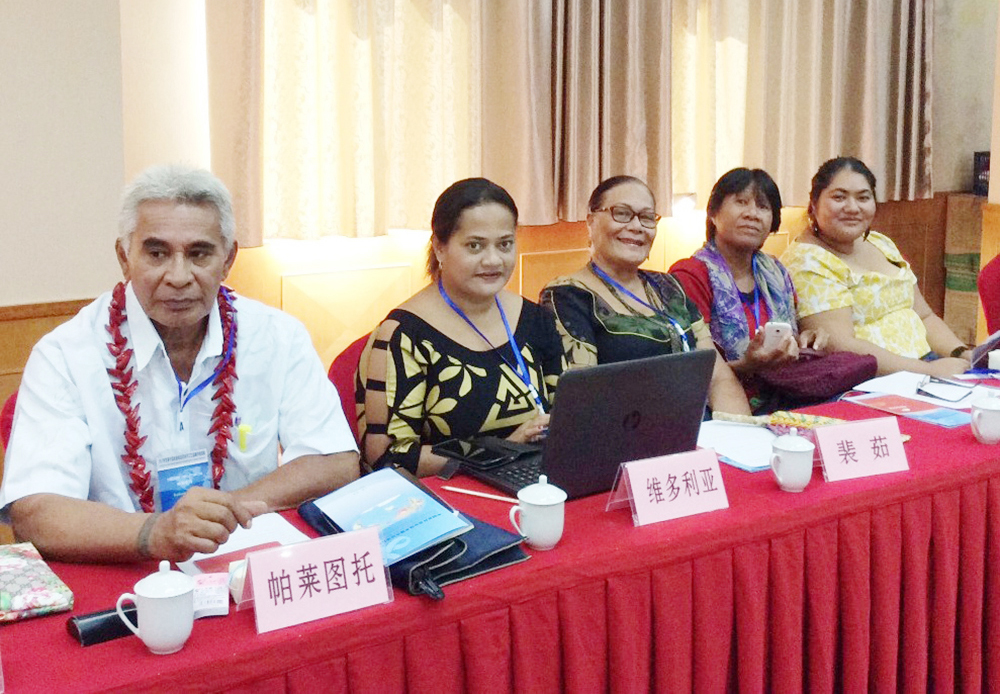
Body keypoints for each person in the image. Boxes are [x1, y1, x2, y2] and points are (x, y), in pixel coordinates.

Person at [0, 165, 360, 563]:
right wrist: (157, 532)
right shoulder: (65, 354)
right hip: (119, 568)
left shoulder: (277, 336)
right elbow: (35, 510)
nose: (178, 276)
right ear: (124, 257)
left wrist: (218, 516)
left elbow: (334, 461)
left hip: (239, 561)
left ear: (228, 259)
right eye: (157, 253)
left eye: (198, 253)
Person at [357, 178, 564, 476]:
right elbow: (386, 457)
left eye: (505, 244)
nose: (493, 260)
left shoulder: (534, 318)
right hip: (451, 490)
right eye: (474, 246)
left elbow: (567, 411)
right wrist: (503, 448)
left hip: (537, 481)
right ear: (440, 248)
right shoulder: (404, 335)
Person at [540, 175, 751, 415]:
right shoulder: (567, 295)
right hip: (625, 431)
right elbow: (582, 400)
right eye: (621, 213)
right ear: (591, 221)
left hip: (699, 428)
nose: (636, 226)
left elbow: (718, 378)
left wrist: (737, 430)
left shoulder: (669, 286)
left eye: (647, 217)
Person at [780, 157, 972, 376]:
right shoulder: (807, 260)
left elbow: (924, 315)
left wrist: (962, 353)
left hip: (927, 365)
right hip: (870, 381)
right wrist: (928, 371)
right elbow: (840, 346)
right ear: (814, 204)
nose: (852, 208)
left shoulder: (880, 243)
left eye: (863, 197)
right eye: (839, 197)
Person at [670, 168, 829, 411]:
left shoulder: (776, 271)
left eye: (763, 206)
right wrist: (747, 365)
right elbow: (689, 371)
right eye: (741, 202)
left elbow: (791, 337)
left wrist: (806, 341)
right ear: (713, 213)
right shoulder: (691, 274)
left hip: (786, 395)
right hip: (716, 408)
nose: (752, 214)